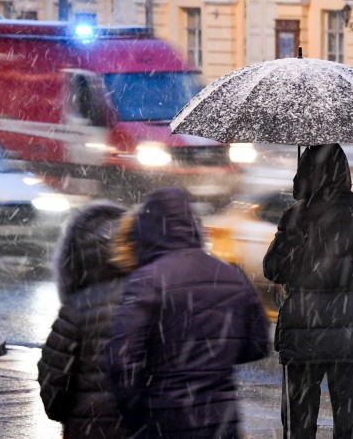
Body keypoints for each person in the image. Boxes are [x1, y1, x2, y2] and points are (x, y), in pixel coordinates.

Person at [106, 187, 271, 438]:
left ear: (146, 230)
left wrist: (135, 414)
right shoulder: (231, 275)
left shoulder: (147, 280)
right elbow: (257, 345)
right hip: (221, 418)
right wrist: (212, 356)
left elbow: (122, 361)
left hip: (166, 419)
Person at [263, 144, 353, 439]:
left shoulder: (298, 216)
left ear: (307, 174)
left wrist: (296, 235)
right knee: (349, 418)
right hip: (350, 334)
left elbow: (273, 269)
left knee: (299, 421)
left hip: (303, 333)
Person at [37, 201, 131, 438]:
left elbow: (53, 379)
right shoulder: (151, 299)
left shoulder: (77, 309)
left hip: (87, 428)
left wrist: (69, 415)